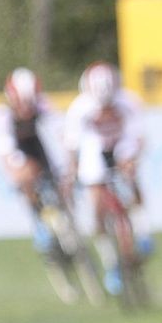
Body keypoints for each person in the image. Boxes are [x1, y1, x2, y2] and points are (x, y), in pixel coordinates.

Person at [0, 68, 79, 302]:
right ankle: (41, 229)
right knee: (27, 179)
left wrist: (69, 166)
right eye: (22, 105)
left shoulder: (43, 105)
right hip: (20, 157)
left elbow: (63, 135)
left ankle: (67, 223)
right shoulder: (2, 116)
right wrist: (20, 174)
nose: (27, 110)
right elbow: (7, 154)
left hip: (41, 151)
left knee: (60, 185)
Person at [63, 61, 149, 295]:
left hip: (121, 143)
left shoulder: (128, 102)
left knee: (131, 176)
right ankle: (111, 263)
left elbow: (138, 137)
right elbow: (73, 146)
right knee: (96, 206)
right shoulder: (79, 109)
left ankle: (143, 233)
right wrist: (72, 173)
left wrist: (131, 162)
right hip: (94, 149)